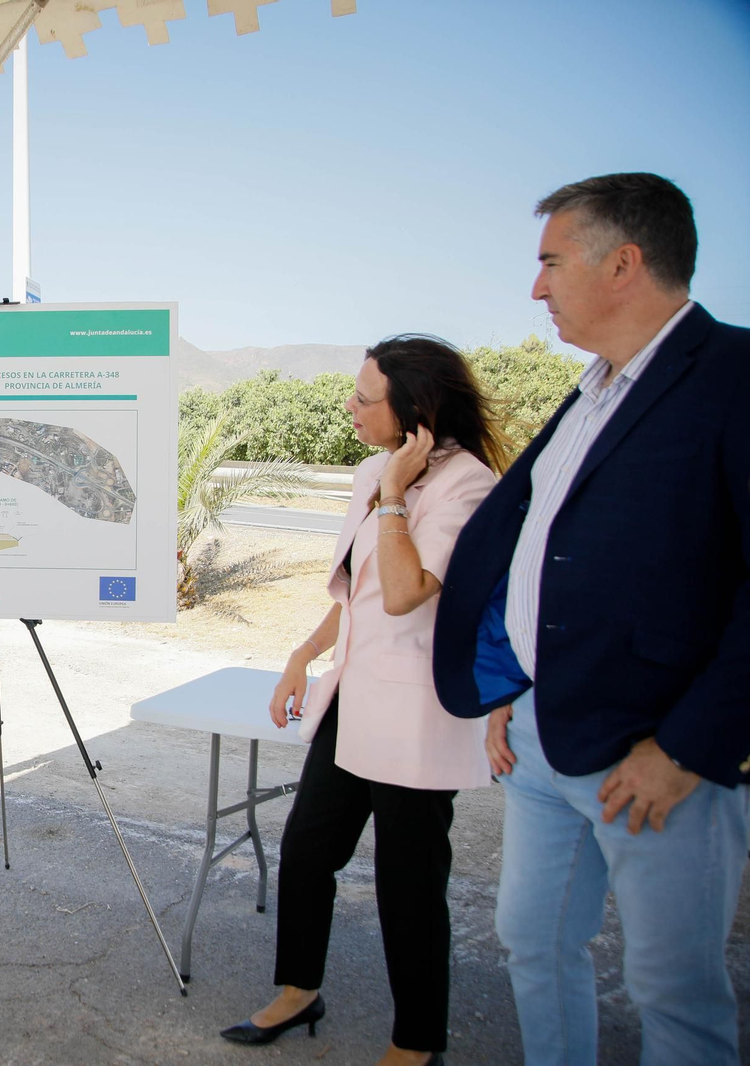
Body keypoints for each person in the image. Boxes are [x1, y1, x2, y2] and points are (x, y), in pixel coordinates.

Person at [433, 173, 750, 1065]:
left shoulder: (733, 378)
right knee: (532, 945)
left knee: (673, 992)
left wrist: (687, 748)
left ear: (623, 263)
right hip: (539, 733)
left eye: (550, 262)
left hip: (655, 755)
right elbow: (543, 550)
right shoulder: (592, 392)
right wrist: (511, 682)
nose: (536, 288)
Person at [221, 335, 506, 1066]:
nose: (348, 406)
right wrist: (302, 656)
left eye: (364, 397)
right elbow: (359, 593)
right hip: (351, 698)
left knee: (408, 883)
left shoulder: (466, 485)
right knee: (306, 849)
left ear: (414, 409)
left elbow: (407, 592)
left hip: (415, 716)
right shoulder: (372, 471)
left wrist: (395, 499)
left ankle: (416, 1042)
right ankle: (299, 990)